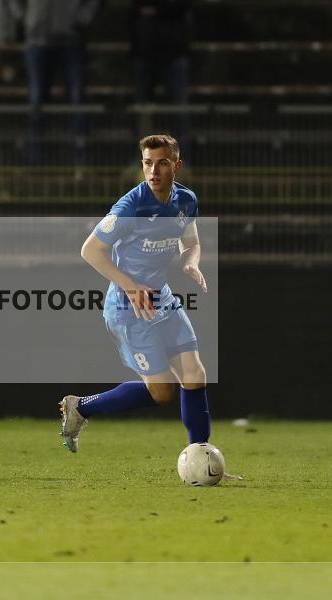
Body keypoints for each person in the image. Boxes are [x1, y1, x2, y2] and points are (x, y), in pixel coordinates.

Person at [60, 134, 210, 452]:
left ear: (177, 166)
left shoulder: (187, 200)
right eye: (147, 163)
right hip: (130, 307)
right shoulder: (132, 205)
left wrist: (190, 263)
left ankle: (201, 454)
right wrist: (129, 285)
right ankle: (81, 407)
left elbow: (191, 241)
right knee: (163, 392)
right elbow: (90, 250)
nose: (154, 170)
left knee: (195, 374)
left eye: (162, 163)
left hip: (162, 299)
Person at [6, 0, 101, 164]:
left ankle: (81, 157)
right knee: (36, 100)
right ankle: (37, 159)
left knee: (77, 99)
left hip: (71, 40)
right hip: (37, 40)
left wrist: (82, 18)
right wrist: (26, 19)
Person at [131, 0, 193, 157]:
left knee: (180, 111)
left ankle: (181, 161)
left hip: (174, 50)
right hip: (145, 49)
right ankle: (142, 160)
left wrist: (157, 9)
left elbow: (182, 5)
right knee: (143, 110)